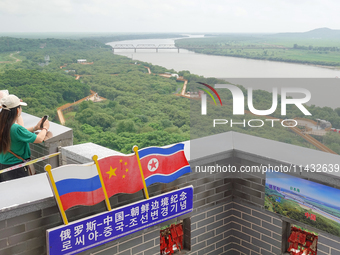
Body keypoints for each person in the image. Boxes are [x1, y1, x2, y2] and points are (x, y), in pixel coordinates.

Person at [0, 94, 50, 182]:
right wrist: (45, 128)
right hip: (16, 169)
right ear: (17, 110)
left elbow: (19, 133)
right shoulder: (15, 128)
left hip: (3, 165)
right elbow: (39, 139)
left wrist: (35, 128)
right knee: (20, 192)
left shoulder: (4, 125)